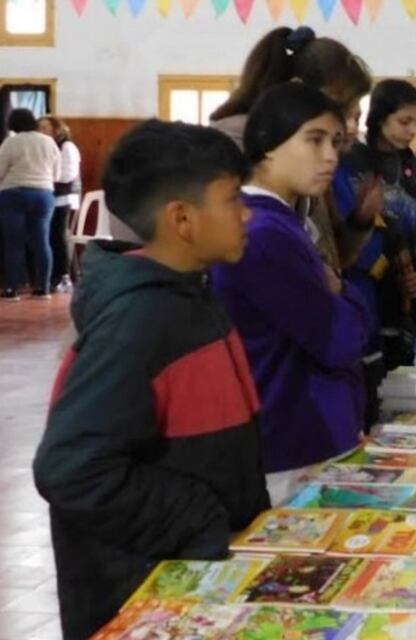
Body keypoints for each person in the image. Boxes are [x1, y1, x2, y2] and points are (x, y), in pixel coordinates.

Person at [32, 120, 269, 640]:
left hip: (192, 577)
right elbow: (71, 468)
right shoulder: (140, 320)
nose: (246, 214)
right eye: (233, 200)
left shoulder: (190, 296)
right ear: (182, 218)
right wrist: (200, 520)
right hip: (146, 588)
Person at [211, 84, 370, 504]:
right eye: (314, 140)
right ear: (267, 145)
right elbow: (341, 342)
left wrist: (337, 288)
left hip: (303, 427)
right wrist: (345, 292)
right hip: (291, 436)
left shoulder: (284, 221)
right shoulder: (265, 232)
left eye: (336, 142)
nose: (331, 156)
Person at [210, 25, 378, 271]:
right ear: (297, 91)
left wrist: (360, 222)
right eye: (340, 109)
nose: (349, 126)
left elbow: (332, 256)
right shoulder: (227, 151)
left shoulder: (311, 161)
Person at [346, 79, 416, 368]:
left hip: (408, 303)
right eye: (404, 121)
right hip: (362, 296)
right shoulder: (351, 163)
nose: (412, 131)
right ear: (379, 116)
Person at [0, 108, 60, 300]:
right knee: (42, 242)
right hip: (44, 194)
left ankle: (13, 289)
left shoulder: (11, 142)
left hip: (13, 194)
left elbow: (0, 170)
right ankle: (43, 288)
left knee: (14, 243)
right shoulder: (48, 141)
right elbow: (57, 174)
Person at [38, 115, 82, 293]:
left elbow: (68, 175)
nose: (42, 132)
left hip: (64, 198)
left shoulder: (67, 147)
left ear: (57, 129)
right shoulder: (46, 147)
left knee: (59, 235)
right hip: (51, 197)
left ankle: (63, 275)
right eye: (39, 128)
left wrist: (46, 179)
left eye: (46, 128)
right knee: (49, 237)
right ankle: (52, 275)